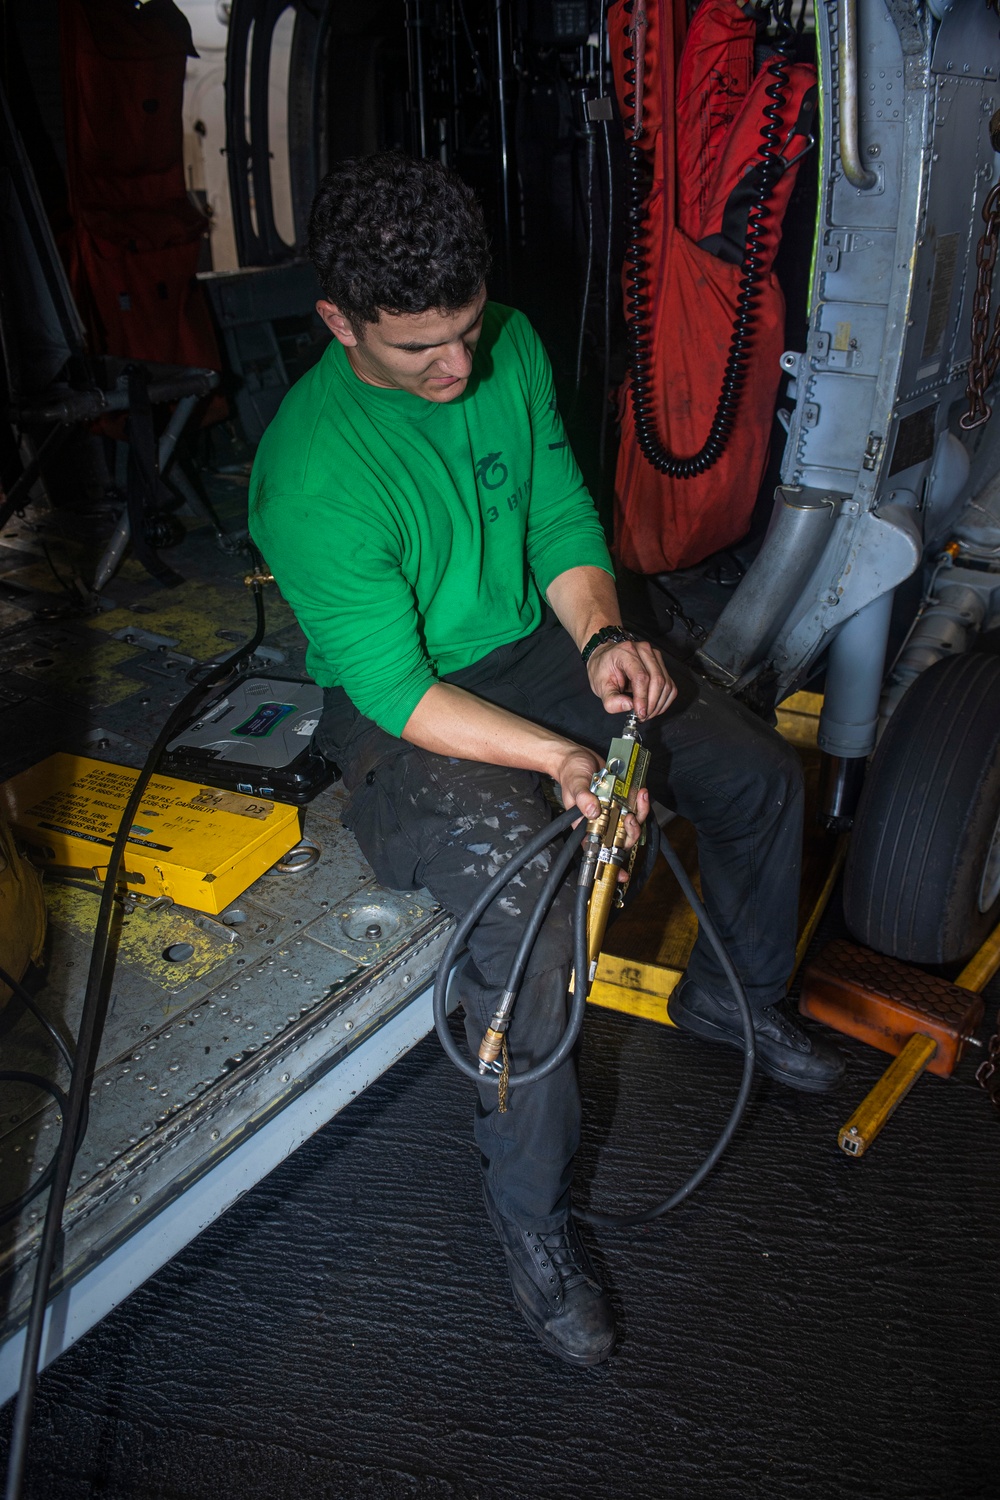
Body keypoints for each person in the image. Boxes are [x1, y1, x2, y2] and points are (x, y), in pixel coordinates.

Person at [249, 151, 843, 1369]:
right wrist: (565, 759)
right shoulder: (310, 476)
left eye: (466, 331)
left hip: (529, 643)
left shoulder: (505, 344)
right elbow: (399, 689)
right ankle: (530, 1223)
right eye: (420, 349)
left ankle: (736, 1003)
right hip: (402, 706)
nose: (458, 367)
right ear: (337, 323)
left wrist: (605, 636)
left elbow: (561, 516)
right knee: (528, 913)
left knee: (753, 778)